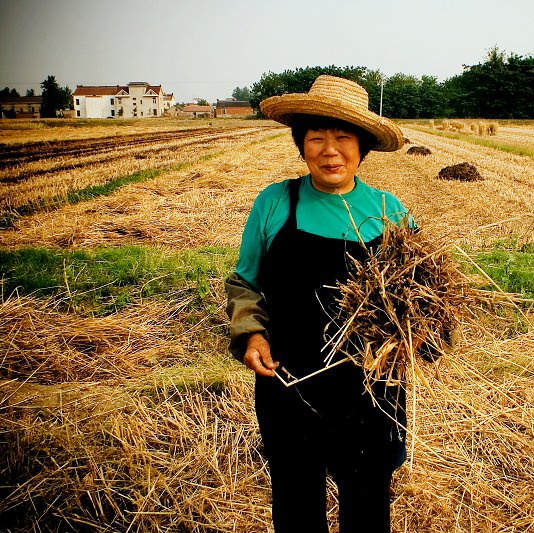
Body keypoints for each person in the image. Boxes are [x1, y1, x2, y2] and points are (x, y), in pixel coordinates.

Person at [225, 75, 409, 533]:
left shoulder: (391, 212)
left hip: (372, 386)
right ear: (301, 145)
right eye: (317, 138)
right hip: (289, 380)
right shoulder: (275, 203)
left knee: (367, 502)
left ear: (362, 145)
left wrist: (414, 341)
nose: (330, 150)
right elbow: (244, 282)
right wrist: (251, 333)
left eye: (343, 137)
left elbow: (419, 302)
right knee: (295, 498)